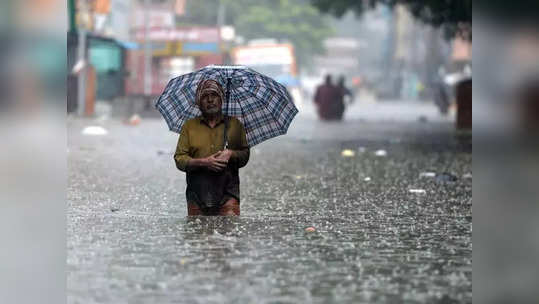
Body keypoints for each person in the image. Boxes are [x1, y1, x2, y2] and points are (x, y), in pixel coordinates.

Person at [174, 79, 250, 216]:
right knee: (197, 233)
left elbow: (245, 156)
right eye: (205, 96)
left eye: (214, 95)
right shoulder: (189, 126)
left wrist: (230, 153)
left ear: (221, 99)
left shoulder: (235, 125)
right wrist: (204, 162)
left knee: (230, 231)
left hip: (228, 193)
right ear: (198, 103)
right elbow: (179, 159)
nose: (210, 100)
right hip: (197, 194)